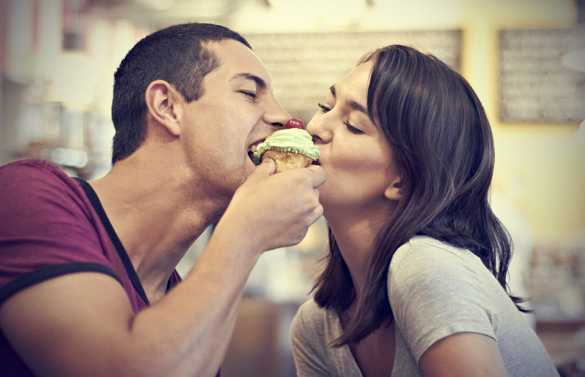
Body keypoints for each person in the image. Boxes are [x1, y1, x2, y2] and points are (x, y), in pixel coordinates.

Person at [0, 23, 325, 376]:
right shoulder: (25, 192)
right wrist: (248, 232)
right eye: (249, 93)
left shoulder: (180, 302)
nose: (283, 116)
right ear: (167, 106)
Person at [290, 44, 558, 376]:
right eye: (325, 106)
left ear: (402, 181)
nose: (315, 126)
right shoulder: (316, 327)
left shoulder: (425, 266)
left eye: (353, 125)